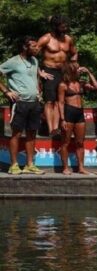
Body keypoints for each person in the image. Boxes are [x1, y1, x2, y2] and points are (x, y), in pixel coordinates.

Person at [0, 36, 45, 175]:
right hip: (20, 103)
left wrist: (38, 91)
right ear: (25, 47)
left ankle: (29, 164)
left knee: (32, 133)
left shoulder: (35, 60)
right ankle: (13, 165)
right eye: (34, 46)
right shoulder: (13, 62)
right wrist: (6, 91)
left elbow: (35, 78)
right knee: (16, 133)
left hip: (34, 103)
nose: (37, 48)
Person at [37, 15, 78, 138]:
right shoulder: (46, 38)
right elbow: (32, 55)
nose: (65, 27)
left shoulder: (68, 39)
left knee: (60, 100)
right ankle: (51, 129)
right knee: (50, 100)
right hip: (49, 70)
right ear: (55, 26)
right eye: (62, 25)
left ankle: (56, 129)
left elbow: (74, 53)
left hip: (63, 72)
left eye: (66, 25)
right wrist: (39, 72)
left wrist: (73, 65)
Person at [57, 61, 97, 175]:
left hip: (80, 113)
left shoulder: (81, 83)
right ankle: (65, 167)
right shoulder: (63, 85)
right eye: (76, 68)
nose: (79, 70)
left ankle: (81, 167)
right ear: (70, 71)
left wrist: (89, 72)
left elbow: (96, 86)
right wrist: (62, 119)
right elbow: (60, 103)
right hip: (68, 112)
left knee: (80, 142)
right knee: (65, 142)